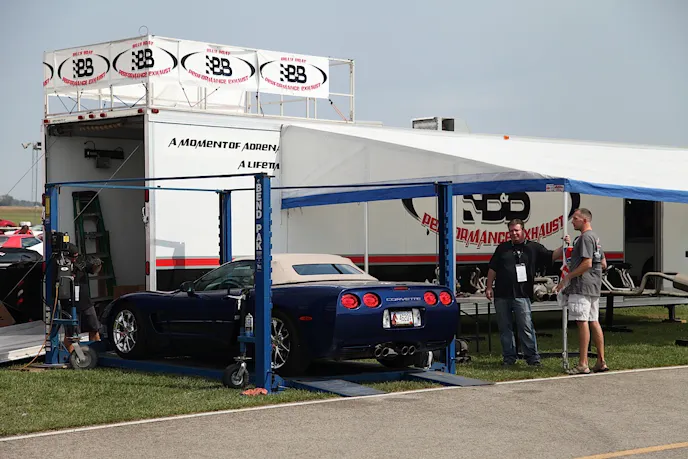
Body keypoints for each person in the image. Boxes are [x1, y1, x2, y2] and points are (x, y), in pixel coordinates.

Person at [486, 219, 566, 366]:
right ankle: (509, 358)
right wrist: (489, 287)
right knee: (505, 329)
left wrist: (564, 246)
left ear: (524, 231)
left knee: (526, 327)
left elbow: (551, 256)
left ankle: (532, 358)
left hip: (522, 295)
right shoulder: (502, 248)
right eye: (511, 231)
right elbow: (492, 269)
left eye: (516, 230)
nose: (514, 233)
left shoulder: (533, 247)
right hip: (502, 295)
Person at [554, 208, 608, 374]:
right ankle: (601, 361)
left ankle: (583, 363)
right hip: (594, 286)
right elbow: (603, 263)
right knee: (593, 321)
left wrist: (567, 277)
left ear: (584, 220)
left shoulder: (585, 238)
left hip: (581, 286)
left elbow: (587, 263)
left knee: (582, 321)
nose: (572, 221)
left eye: (575, 218)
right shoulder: (594, 237)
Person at [62, 253, 103, 355]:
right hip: (69, 304)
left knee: (94, 328)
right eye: (73, 257)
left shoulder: (81, 262)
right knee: (71, 334)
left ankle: (96, 353)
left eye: (76, 256)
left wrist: (96, 263)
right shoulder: (60, 265)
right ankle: (73, 356)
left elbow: (94, 269)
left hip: (86, 303)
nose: (75, 259)